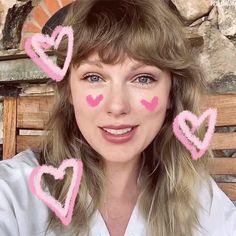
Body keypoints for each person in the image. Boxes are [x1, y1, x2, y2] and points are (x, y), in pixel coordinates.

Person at [0, 0, 235, 235]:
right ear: (69, 90)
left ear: (171, 93)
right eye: (93, 77)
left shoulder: (199, 196)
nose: (117, 106)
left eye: (143, 78)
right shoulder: (13, 192)